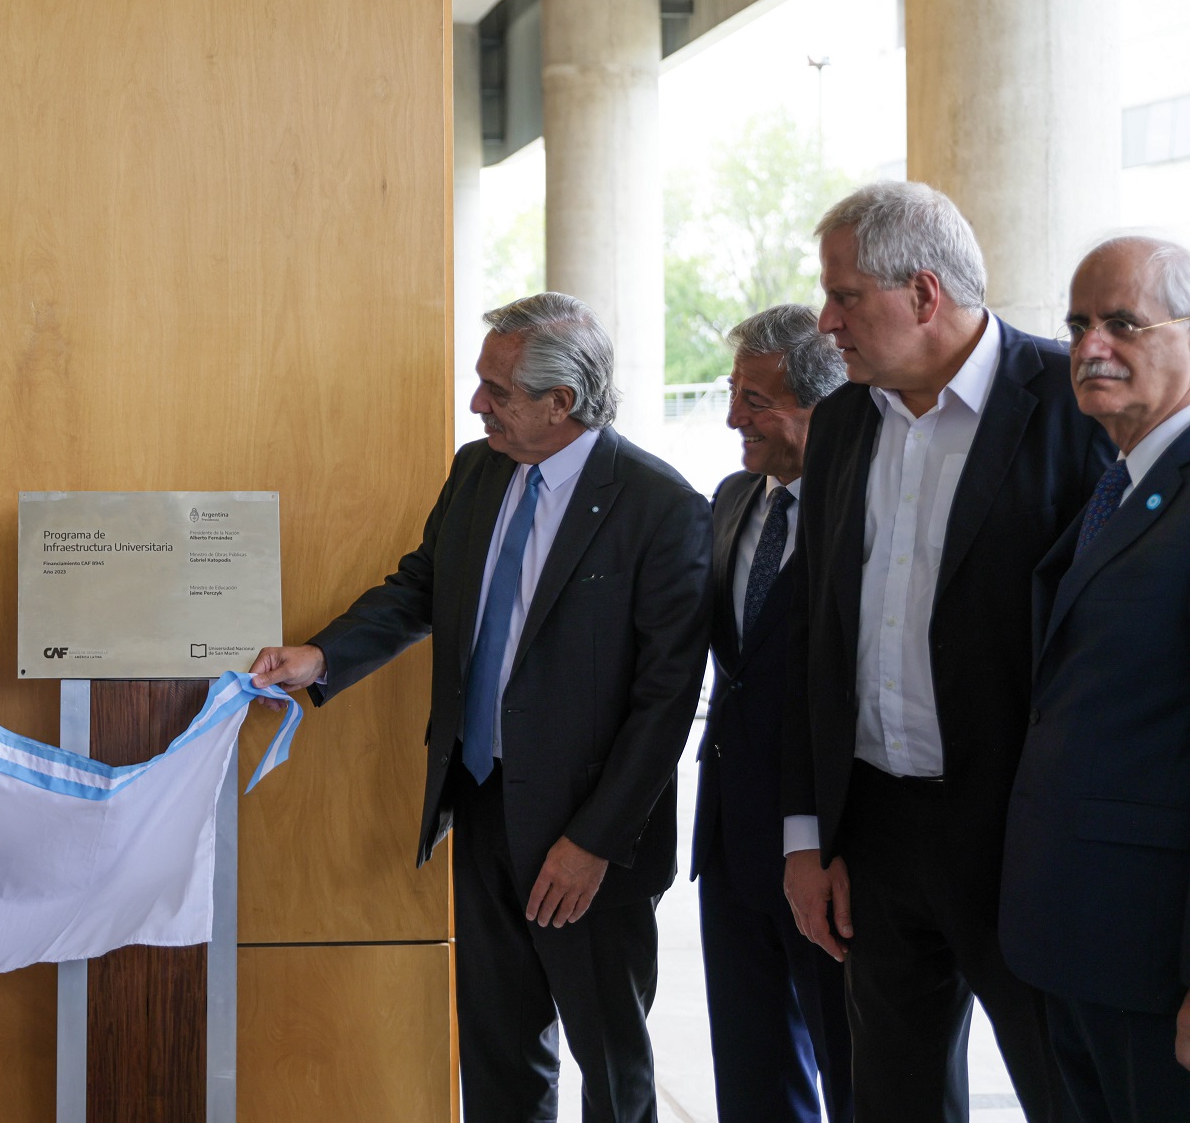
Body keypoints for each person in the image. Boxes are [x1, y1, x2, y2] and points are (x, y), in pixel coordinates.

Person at [251, 292, 711, 1123]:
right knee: (500, 1056)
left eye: (496, 390)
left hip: (590, 842)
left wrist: (593, 842)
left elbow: (666, 702)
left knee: (610, 1065)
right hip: (482, 799)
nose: (477, 405)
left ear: (560, 403)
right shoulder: (478, 469)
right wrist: (321, 657)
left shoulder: (662, 509)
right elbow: (422, 587)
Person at [781, 181, 1111, 1122]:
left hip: (1022, 837)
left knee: (1067, 1091)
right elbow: (814, 636)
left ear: (924, 294)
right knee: (892, 1098)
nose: (825, 321)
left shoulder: (1070, 404)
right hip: (876, 838)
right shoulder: (844, 419)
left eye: (845, 297)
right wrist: (809, 836)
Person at [999, 235, 1190, 1121]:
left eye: (1123, 323)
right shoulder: (1119, 485)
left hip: (1155, 965)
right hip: (1074, 939)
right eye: (1077, 324)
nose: (1089, 347)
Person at [691, 305, 852, 1122]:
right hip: (729, 841)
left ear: (818, 406)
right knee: (752, 1078)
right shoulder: (730, 499)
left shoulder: (864, 513)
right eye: (732, 392)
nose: (732, 418)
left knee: (856, 1067)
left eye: (755, 400)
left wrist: (820, 837)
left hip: (834, 852)